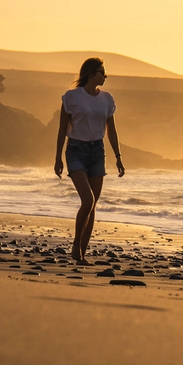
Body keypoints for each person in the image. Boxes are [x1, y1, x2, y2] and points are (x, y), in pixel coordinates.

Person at [54, 58, 124, 265]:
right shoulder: (72, 97)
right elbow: (61, 130)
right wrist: (58, 157)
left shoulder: (107, 99)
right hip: (76, 150)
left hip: (97, 152)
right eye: (102, 72)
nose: (105, 76)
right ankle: (76, 245)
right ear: (91, 74)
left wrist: (118, 157)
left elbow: (111, 131)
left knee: (93, 205)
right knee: (88, 200)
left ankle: (81, 254)